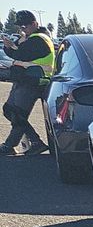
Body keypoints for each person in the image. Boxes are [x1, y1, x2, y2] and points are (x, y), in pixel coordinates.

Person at [1, 10, 55, 156]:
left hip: (34, 81)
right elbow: (17, 53)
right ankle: (34, 142)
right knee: (11, 111)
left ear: (35, 24)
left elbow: (20, 53)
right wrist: (9, 46)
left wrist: (13, 46)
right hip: (26, 80)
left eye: (25, 26)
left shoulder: (39, 39)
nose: (22, 29)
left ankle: (11, 145)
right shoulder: (31, 38)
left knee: (17, 114)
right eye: (21, 27)